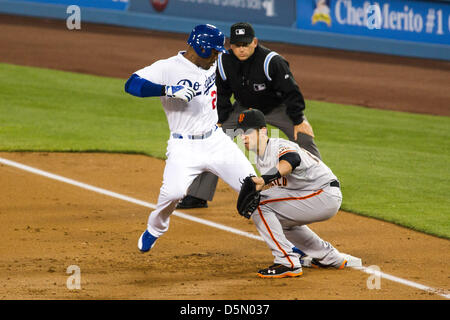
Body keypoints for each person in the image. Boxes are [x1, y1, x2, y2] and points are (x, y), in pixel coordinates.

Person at [124, 24, 256, 252]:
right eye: (214, 51)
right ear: (201, 48)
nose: (217, 56)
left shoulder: (212, 64)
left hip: (216, 141)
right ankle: (155, 229)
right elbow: (131, 84)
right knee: (173, 193)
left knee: (253, 189)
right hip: (183, 146)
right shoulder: (168, 67)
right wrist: (167, 90)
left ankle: (290, 243)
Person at [178, 21, 321, 209]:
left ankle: (320, 183)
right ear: (231, 46)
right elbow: (221, 93)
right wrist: (220, 121)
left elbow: (291, 91)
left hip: (277, 109)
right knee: (213, 140)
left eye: (245, 44)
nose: (241, 49)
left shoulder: (272, 61)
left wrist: (298, 120)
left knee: (303, 136)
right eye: (237, 45)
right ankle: (198, 195)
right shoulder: (223, 61)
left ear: (254, 42)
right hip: (243, 109)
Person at [236, 109, 346, 278]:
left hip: (323, 193)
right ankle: (328, 257)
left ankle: (287, 262)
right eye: (241, 132)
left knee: (261, 205)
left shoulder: (279, 146)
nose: (244, 136)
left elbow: (292, 160)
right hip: (313, 194)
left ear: (263, 131)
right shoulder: (259, 157)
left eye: (249, 131)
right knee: (275, 215)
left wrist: (264, 180)